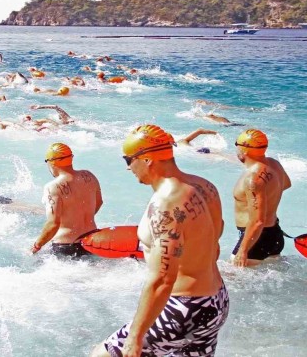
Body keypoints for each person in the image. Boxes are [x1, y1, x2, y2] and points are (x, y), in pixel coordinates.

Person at [91, 124, 228, 357]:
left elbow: (163, 278)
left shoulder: (166, 203)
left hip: (184, 307)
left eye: (128, 160)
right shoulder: (205, 187)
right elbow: (215, 239)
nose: (128, 168)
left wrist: (135, 336)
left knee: (102, 355)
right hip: (216, 301)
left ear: (146, 160)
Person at [231, 129, 291, 267]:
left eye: (236, 145)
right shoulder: (274, 164)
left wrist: (243, 250)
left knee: (232, 277)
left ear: (244, 150)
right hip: (274, 234)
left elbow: (258, 221)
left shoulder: (252, 179)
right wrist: (267, 198)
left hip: (256, 239)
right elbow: (286, 184)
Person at [31, 143, 102, 257]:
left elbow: (53, 224)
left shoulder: (52, 187)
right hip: (91, 241)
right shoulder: (89, 176)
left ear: (51, 162)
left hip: (66, 246)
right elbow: (99, 202)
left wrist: (36, 246)